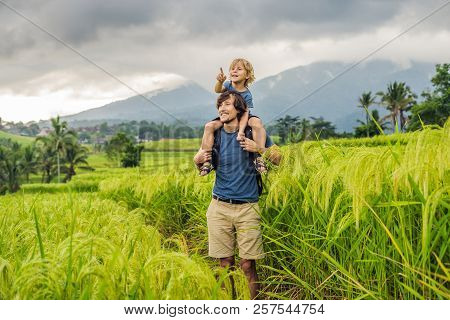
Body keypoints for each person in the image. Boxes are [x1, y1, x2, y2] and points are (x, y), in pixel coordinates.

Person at [193, 91, 281, 299]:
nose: (222, 109)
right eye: (219, 105)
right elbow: (201, 164)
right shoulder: (214, 135)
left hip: (247, 208)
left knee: (248, 264)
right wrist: (197, 160)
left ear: (240, 109)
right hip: (219, 207)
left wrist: (258, 148)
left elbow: (279, 159)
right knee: (224, 265)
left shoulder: (253, 132)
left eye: (227, 105)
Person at [199, 58, 268, 176]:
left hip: (244, 117)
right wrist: (220, 82)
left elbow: (245, 113)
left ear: (247, 76)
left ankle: (259, 157)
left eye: (239, 69)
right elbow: (217, 90)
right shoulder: (228, 85)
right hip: (228, 116)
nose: (234, 71)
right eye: (232, 69)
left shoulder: (247, 94)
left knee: (256, 122)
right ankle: (208, 160)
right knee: (209, 126)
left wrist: (241, 131)